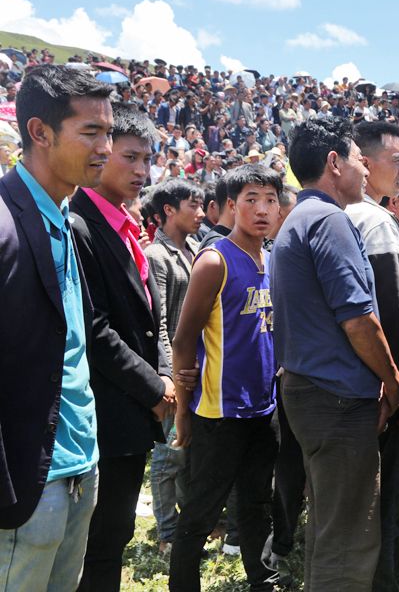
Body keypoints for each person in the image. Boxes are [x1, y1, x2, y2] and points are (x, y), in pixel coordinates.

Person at [271, 115, 399, 590]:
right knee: (349, 536)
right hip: (337, 400)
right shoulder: (330, 221)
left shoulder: (299, 220)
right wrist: (393, 379)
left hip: (311, 394)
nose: (366, 172)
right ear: (334, 163)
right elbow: (360, 321)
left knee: (331, 527)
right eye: (357, 161)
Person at [0, 64, 113, 591]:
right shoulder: (5, 222)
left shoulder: (66, 221)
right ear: (40, 132)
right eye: (90, 132)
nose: (105, 148)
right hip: (27, 484)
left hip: (78, 468)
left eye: (108, 132)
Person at [68, 102, 178, 592]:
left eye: (146, 159)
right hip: (107, 412)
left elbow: (149, 321)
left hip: (131, 411)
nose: (141, 170)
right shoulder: (80, 226)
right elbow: (95, 329)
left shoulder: (122, 225)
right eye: (130, 157)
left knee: (114, 535)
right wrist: (154, 386)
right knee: (99, 543)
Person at [169, 164, 284, 592]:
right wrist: (183, 410)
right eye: (251, 200)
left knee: (258, 503)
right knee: (202, 510)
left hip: (263, 407)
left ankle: (263, 580)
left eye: (270, 200)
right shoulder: (214, 260)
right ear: (232, 206)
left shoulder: (272, 260)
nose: (262, 209)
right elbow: (184, 340)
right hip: (219, 410)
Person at [347, 120, 399, 592]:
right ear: (366, 164)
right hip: (380, 391)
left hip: (340, 390)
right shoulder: (377, 223)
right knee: (388, 502)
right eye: (396, 160)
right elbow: (392, 320)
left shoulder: (333, 216)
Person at [143, 180, 205, 556]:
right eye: (192, 205)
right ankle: (167, 532)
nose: (200, 212)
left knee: (191, 451)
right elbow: (161, 320)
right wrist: (169, 375)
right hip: (176, 370)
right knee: (169, 455)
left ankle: (188, 523)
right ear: (169, 210)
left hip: (198, 367)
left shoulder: (196, 248)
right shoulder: (157, 254)